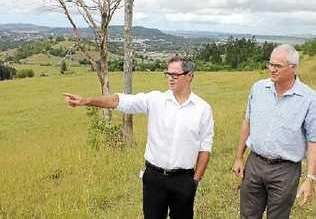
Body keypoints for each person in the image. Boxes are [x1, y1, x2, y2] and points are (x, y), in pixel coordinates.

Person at [63, 56, 214, 219]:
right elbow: (118, 100)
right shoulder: (155, 100)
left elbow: (205, 148)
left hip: (183, 180)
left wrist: (194, 181)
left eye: (175, 75)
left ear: (190, 76)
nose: (170, 78)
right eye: (168, 74)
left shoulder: (203, 109)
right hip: (154, 178)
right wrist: (86, 100)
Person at [233, 44, 316, 219]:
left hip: (285, 170)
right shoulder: (258, 88)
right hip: (254, 164)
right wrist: (239, 157)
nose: (272, 69)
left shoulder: (309, 99)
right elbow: (247, 122)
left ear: (293, 68)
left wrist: (310, 178)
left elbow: (313, 140)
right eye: (270, 64)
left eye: (277, 66)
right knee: (247, 215)